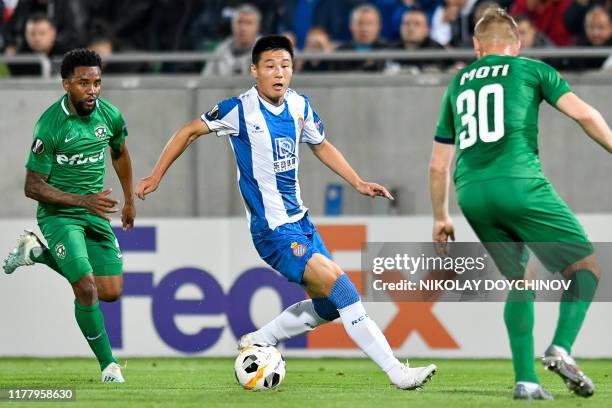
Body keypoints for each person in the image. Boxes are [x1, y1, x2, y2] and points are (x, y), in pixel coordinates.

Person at [136, 35, 437, 390]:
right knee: (345, 291)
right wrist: (156, 175)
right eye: (270, 66)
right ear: (254, 71)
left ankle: (260, 338)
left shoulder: (299, 106)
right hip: (272, 231)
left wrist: (358, 182)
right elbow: (189, 131)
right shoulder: (239, 109)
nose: (279, 73)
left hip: (301, 222)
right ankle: (397, 373)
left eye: (285, 65)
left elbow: (321, 145)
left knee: (328, 306)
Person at [429, 7, 611, 400]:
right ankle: (561, 347)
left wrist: (441, 217)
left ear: (477, 46)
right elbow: (584, 115)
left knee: (520, 282)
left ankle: (526, 381)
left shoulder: (458, 82)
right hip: (520, 185)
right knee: (586, 268)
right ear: (518, 44)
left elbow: (437, 165)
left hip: (471, 194)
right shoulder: (531, 70)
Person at [3, 49, 135, 383]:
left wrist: (130, 199)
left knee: (111, 291)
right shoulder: (50, 125)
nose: (92, 90)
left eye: (97, 82)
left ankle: (36, 252)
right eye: (83, 83)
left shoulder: (109, 116)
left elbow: (120, 152)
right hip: (60, 214)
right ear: (66, 84)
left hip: (94, 211)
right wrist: (81, 201)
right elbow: (32, 187)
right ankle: (109, 366)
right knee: (86, 288)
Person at [203, 3, 261, 75]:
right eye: (239, 22)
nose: (243, 28)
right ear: (232, 25)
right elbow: (206, 79)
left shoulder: (266, 52)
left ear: (257, 27)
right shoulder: (221, 49)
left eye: (248, 23)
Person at [333, 4, 388, 72]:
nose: (364, 28)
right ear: (351, 26)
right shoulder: (339, 52)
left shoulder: (388, 49)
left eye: (369, 23)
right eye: (359, 23)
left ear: (378, 26)